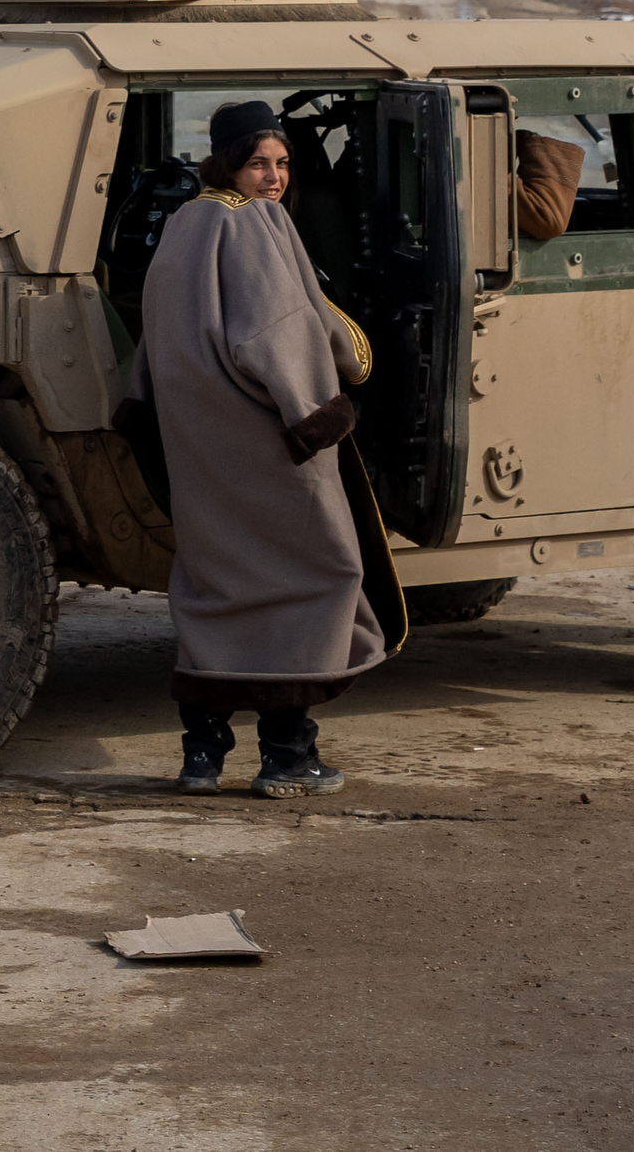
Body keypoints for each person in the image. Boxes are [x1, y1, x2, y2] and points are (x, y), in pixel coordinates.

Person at [118, 98, 390, 796]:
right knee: (314, 578)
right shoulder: (253, 223)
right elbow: (281, 331)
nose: (273, 177)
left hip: (198, 446)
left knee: (217, 588)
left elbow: (158, 331)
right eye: (258, 163)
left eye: (282, 163)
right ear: (228, 164)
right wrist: (317, 414)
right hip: (268, 443)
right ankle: (287, 758)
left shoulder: (186, 221)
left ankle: (201, 760)